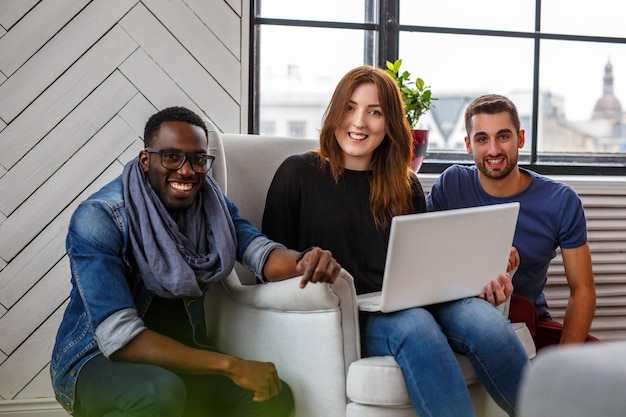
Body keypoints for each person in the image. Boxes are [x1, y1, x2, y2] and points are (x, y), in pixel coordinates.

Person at [262, 66, 529, 417]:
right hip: (352, 314)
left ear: (389, 123)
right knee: (415, 326)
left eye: (374, 112)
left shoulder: (406, 184)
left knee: (485, 322)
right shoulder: (297, 172)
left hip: (417, 299)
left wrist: (479, 275)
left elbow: (426, 265)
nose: (359, 122)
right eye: (349, 107)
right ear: (335, 112)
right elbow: (266, 266)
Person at [50, 106, 342, 417]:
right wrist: (232, 365)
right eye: (172, 157)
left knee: (271, 395)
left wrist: (304, 260)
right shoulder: (100, 217)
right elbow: (120, 338)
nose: (187, 171)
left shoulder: (211, 204)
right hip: (97, 360)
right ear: (146, 159)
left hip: (180, 353)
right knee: (160, 393)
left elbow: (260, 253)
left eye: (198, 159)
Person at [426, 94, 599, 351]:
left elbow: (583, 289)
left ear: (520, 138)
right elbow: (425, 260)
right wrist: (481, 260)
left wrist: (566, 365)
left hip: (528, 320)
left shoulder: (560, 200)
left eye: (503, 136)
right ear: (468, 145)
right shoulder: (451, 185)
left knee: (608, 367)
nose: (494, 150)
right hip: (458, 314)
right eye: (482, 139)